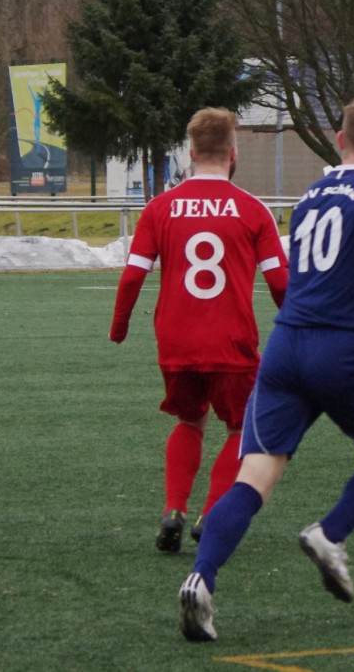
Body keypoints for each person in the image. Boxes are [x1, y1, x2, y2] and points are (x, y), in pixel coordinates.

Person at [177, 96, 354, 642]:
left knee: (254, 476)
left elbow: (324, 263)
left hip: (286, 347)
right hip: (340, 349)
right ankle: (330, 534)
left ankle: (201, 578)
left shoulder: (312, 194)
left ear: (339, 139)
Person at [109, 107, 289, 553]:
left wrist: (120, 327)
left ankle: (174, 509)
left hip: (176, 340)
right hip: (231, 340)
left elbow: (132, 277)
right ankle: (211, 514)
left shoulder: (159, 208)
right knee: (241, 429)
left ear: (190, 153)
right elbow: (279, 281)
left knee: (190, 421)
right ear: (233, 152)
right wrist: (297, 328)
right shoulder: (253, 210)